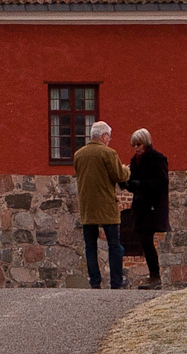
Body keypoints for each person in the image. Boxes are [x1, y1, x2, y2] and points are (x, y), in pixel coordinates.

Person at [73, 120, 129, 289]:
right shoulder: (108, 153)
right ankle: (116, 282)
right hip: (107, 206)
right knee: (114, 245)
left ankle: (95, 282)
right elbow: (119, 176)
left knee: (90, 247)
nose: (109, 141)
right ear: (104, 136)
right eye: (109, 137)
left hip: (87, 207)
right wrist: (126, 169)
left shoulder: (79, 155)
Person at [124, 128, 170, 289]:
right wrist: (128, 184)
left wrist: (141, 184)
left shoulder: (157, 159)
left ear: (146, 143)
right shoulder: (135, 160)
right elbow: (133, 182)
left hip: (152, 206)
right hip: (141, 205)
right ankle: (154, 276)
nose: (136, 148)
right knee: (144, 240)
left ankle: (155, 276)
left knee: (146, 239)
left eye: (139, 144)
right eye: (134, 145)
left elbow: (162, 182)